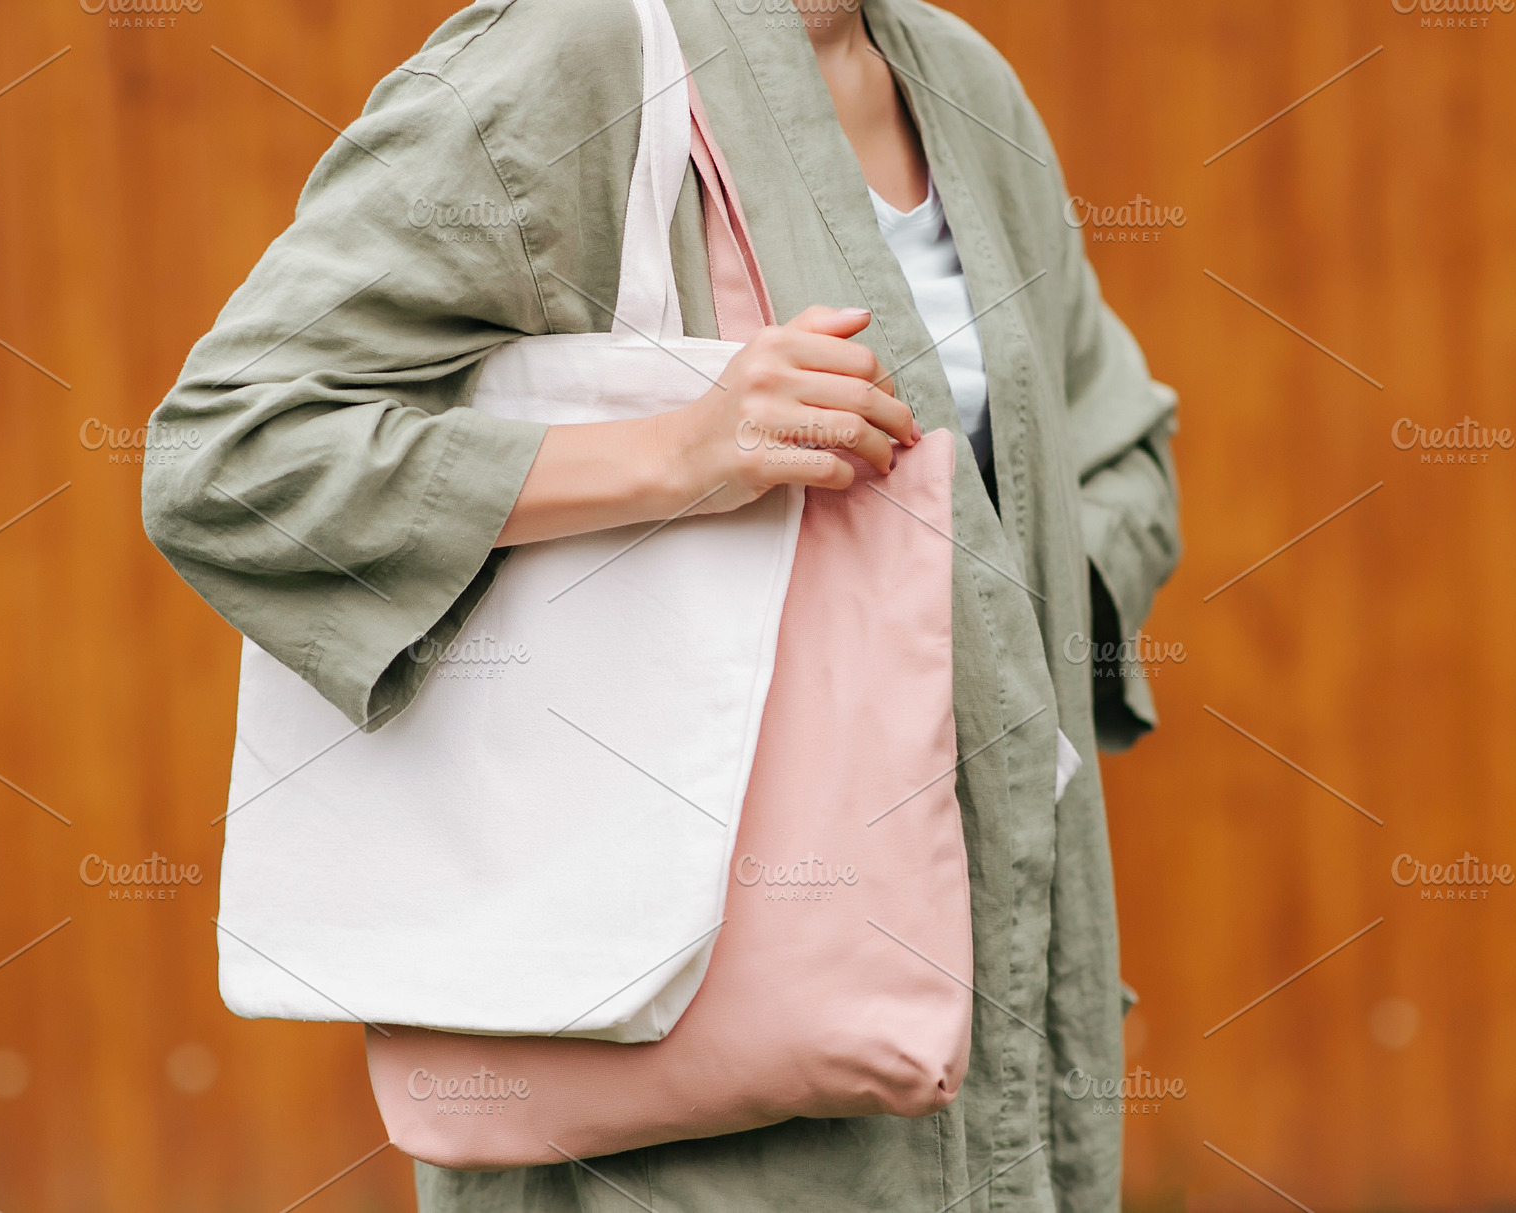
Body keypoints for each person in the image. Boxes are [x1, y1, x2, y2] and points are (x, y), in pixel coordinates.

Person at [141, 0, 1181, 1208]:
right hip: (674, 1057)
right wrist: (682, 451)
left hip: (1002, 1013)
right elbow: (231, 454)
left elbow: (1114, 447)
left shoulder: (957, 79)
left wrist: (957, 627)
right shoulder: (572, 51)